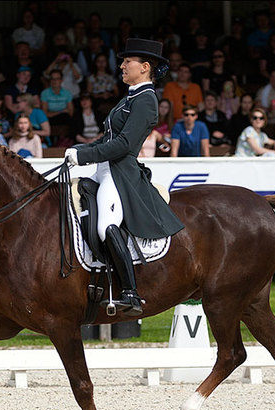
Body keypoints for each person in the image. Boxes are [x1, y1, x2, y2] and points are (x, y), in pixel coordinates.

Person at [65, 38, 184, 316]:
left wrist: (83, 156)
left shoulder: (147, 100)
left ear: (144, 67)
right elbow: (109, 139)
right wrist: (80, 149)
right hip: (103, 169)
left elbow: (125, 146)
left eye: (126, 62)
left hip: (120, 173)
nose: (121, 66)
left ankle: (130, 292)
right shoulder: (129, 97)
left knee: (105, 226)